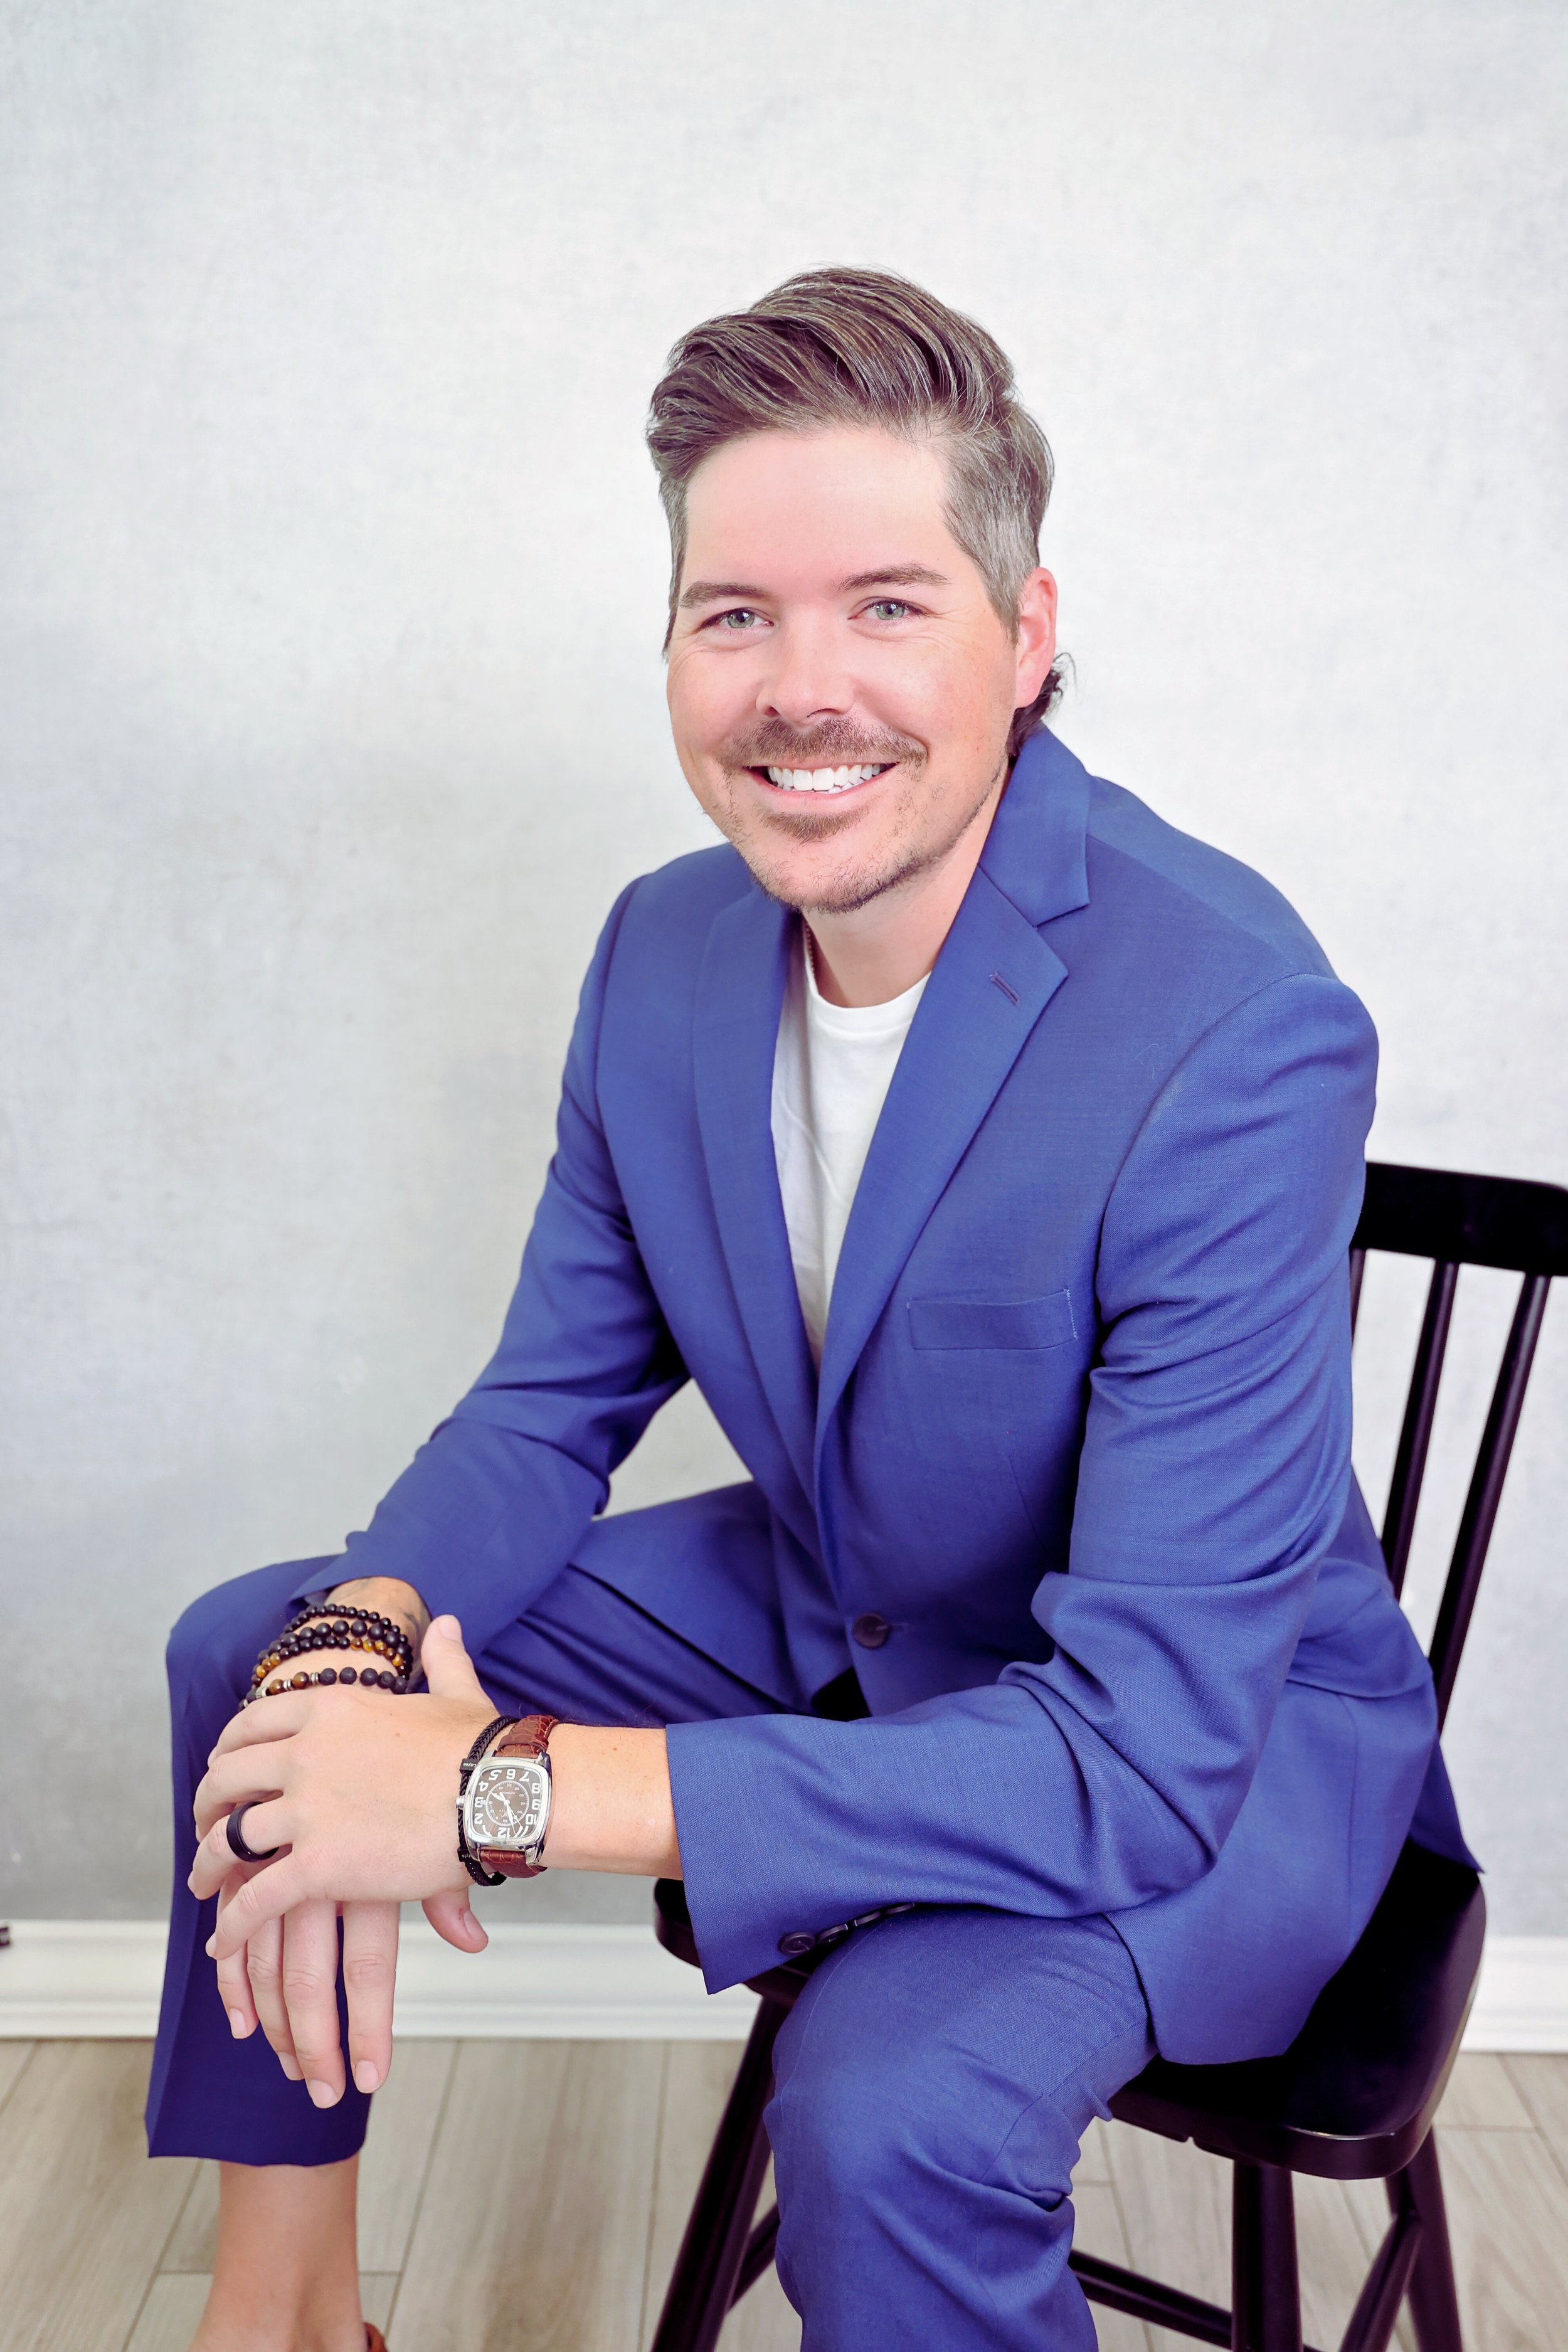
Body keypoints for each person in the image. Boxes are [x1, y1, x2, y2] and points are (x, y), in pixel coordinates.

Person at [150, 267, 1472, 2352]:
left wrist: (497, 1788)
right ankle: (292, 2318)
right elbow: (539, 1410)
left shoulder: (1236, 1022)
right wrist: (356, 1659)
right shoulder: (661, 954)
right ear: (673, 646)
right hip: (850, 1601)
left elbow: (1136, 1751)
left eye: (886, 604)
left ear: (1025, 642)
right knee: (270, 1656)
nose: (800, 686)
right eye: (733, 614)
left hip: (1197, 1738)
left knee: (884, 2104)